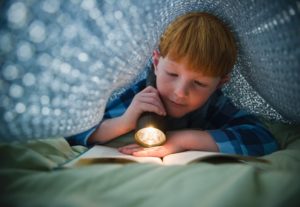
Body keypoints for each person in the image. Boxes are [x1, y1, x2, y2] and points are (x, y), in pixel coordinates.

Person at [66, 12, 278, 157]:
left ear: (219, 84)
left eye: (199, 83)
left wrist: (184, 140)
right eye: (172, 74)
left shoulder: (215, 104)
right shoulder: (143, 96)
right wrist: (124, 121)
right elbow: (74, 131)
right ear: (156, 63)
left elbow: (263, 139)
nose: (180, 93)